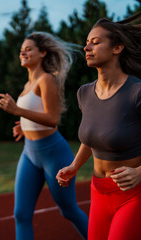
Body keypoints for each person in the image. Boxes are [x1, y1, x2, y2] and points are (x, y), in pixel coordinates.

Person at [56, 12, 141, 240]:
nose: (87, 48)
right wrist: (74, 166)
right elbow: (91, 137)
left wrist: (140, 173)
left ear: (117, 48)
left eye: (95, 42)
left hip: (133, 195)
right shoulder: (84, 93)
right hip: (99, 192)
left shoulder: (137, 92)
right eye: (86, 44)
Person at [0, 32, 88, 240]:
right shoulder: (27, 85)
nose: (23, 52)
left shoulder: (46, 80)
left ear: (43, 53)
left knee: (69, 211)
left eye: (28, 48)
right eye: (22, 49)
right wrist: (23, 126)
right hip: (29, 152)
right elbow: (36, 114)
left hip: (53, 153)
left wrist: (18, 112)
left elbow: (52, 118)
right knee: (21, 214)